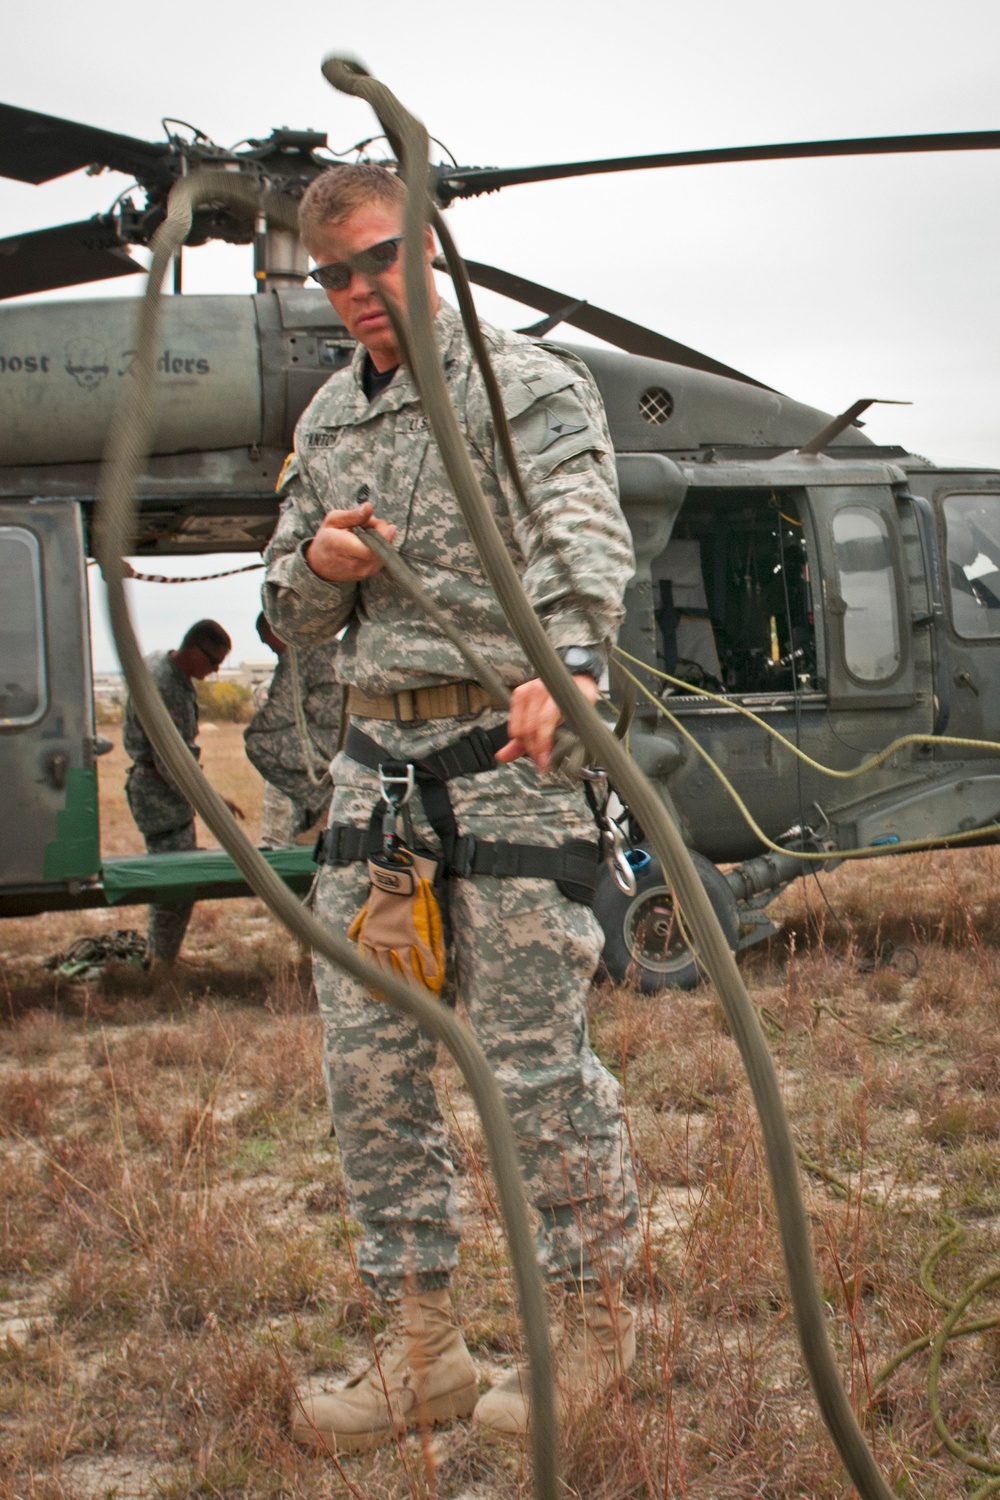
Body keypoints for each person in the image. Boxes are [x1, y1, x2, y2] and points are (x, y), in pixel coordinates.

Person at [263, 163, 638, 1451]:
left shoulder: (524, 386)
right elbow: (289, 613)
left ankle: (588, 1331)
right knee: (369, 1071)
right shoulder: (326, 424)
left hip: (513, 763)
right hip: (378, 777)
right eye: (334, 276)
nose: (361, 292)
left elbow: (581, 534)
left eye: (379, 260)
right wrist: (318, 560)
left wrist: (571, 666)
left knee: (534, 1071)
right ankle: (417, 1348)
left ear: (429, 243)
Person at [123, 619, 243, 963]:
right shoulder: (166, 686)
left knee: (171, 879)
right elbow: (171, 763)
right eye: (214, 662)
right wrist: (212, 802)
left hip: (158, 792)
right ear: (193, 650)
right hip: (159, 796)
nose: (216, 671)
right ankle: (162, 961)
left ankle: (158, 954)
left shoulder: (163, 665)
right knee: (176, 884)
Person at [243, 613, 341, 847]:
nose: (273, 651)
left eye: (269, 643)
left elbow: (280, 712)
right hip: (349, 741)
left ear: (279, 630)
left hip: (330, 743)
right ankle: (319, 814)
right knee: (302, 829)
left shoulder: (299, 652)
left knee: (258, 744)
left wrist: (249, 733)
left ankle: (325, 805)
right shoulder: (329, 643)